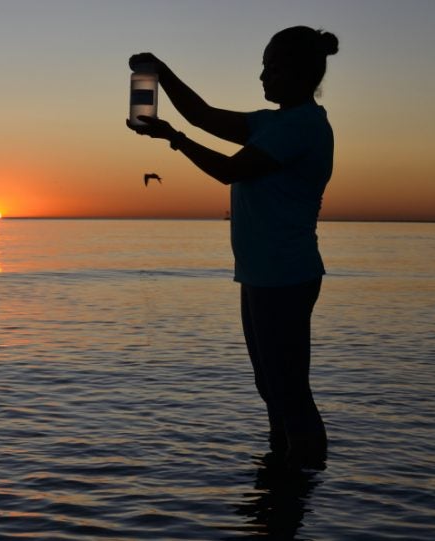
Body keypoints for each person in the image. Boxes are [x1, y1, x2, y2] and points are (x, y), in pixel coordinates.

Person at [127, 26, 339, 470]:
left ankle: (301, 481)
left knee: (288, 388)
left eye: (273, 67)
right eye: (262, 65)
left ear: (301, 74)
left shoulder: (300, 126)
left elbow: (229, 170)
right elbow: (202, 114)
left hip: (285, 273)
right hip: (261, 272)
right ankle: (281, 476)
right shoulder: (270, 122)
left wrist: (175, 139)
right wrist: (161, 73)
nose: (263, 75)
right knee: (271, 384)